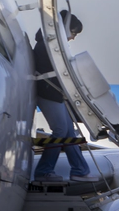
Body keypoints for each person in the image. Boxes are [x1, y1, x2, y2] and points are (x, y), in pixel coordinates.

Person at [33, 12, 98, 183]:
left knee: (68, 131)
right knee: (61, 130)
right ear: (65, 28)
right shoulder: (47, 45)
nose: (73, 37)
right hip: (48, 93)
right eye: (74, 32)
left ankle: (80, 170)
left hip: (54, 93)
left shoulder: (48, 43)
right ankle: (44, 171)